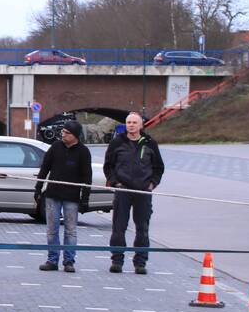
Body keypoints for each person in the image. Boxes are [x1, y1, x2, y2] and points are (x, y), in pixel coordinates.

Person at [103, 111, 164, 274]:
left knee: (142, 228)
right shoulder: (117, 142)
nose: (131, 125)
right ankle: (117, 260)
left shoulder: (150, 143)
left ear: (141, 125)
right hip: (123, 191)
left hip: (143, 191)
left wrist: (152, 184)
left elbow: (159, 167)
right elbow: (108, 166)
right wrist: (115, 182)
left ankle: (140, 262)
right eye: (129, 122)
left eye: (134, 122)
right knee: (119, 227)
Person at [35, 120, 92, 273]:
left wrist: (85, 198)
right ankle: (52, 260)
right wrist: (38, 188)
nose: (63, 135)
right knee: (52, 229)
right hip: (53, 194)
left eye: (67, 133)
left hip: (71, 196)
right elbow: (45, 168)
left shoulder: (83, 152)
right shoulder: (55, 147)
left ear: (75, 135)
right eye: (63, 132)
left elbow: (87, 177)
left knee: (70, 230)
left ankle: (69, 261)